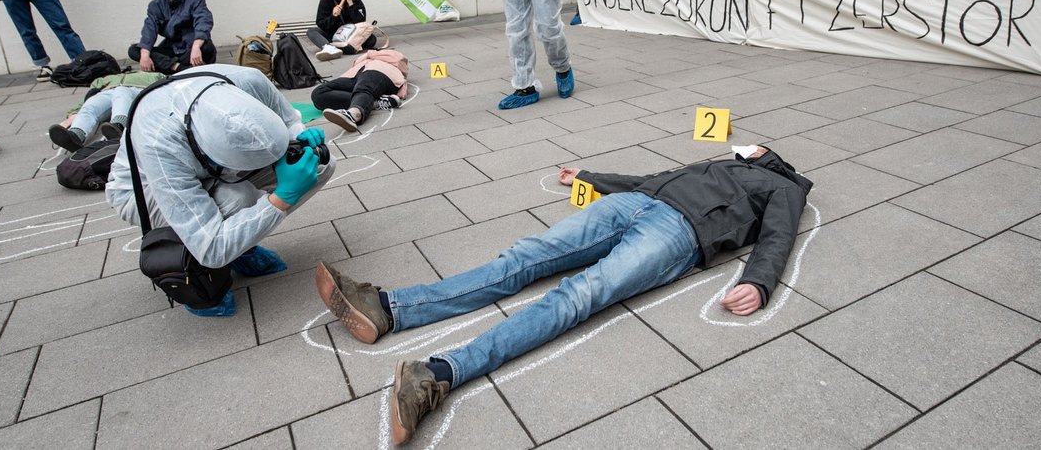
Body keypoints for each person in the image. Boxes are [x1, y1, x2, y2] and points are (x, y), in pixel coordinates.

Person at [314, 145, 813, 444]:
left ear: (768, 157)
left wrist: (759, 281)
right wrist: (590, 177)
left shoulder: (782, 187)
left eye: (751, 146)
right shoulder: (713, 163)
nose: (741, 146)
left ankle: (440, 375)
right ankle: (388, 309)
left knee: (579, 295)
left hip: (679, 235)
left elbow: (778, 236)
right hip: (637, 203)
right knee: (526, 256)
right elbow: (646, 180)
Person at [106, 64, 336, 317]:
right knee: (237, 199)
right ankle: (207, 273)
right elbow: (210, 248)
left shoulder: (249, 80)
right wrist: (282, 199)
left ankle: (239, 241)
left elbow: (289, 120)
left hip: (211, 169)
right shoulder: (159, 141)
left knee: (318, 164)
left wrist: (298, 136)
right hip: (142, 190)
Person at [48, 71, 163, 152]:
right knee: (90, 104)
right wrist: (73, 113)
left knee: (121, 92)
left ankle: (119, 125)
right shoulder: (103, 80)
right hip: (107, 92)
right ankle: (76, 135)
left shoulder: (153, 75)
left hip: (135, 90)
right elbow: (88, 97)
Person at [128, 0, 216, 75]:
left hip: (191, 47)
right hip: (172, 48)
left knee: (207, 47)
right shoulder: (155, 5)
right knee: (134, 50)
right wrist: (145, 55)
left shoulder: (196, 1)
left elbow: (203, 22)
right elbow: (149, 29)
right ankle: (179, 67)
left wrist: (196, 47)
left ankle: (168, 67)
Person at [313, 48, 409, 132]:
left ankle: (354, 114)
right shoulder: (364, 61)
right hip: (353, 76)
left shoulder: (389, 56)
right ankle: (375, 102)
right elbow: (355, 63)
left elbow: (399, 61)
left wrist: (369, 54)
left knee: (364, 87)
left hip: (381, 72)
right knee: (318, 93)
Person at [309, 0, 378, 61]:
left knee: (371, 40)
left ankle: (339, 47)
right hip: (334, 34)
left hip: (351, 34)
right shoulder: (326, 0)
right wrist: (334, 16)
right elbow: (321, 23)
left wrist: (350, 3)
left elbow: (360, 21)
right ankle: (329, 47)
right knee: (312, 31)